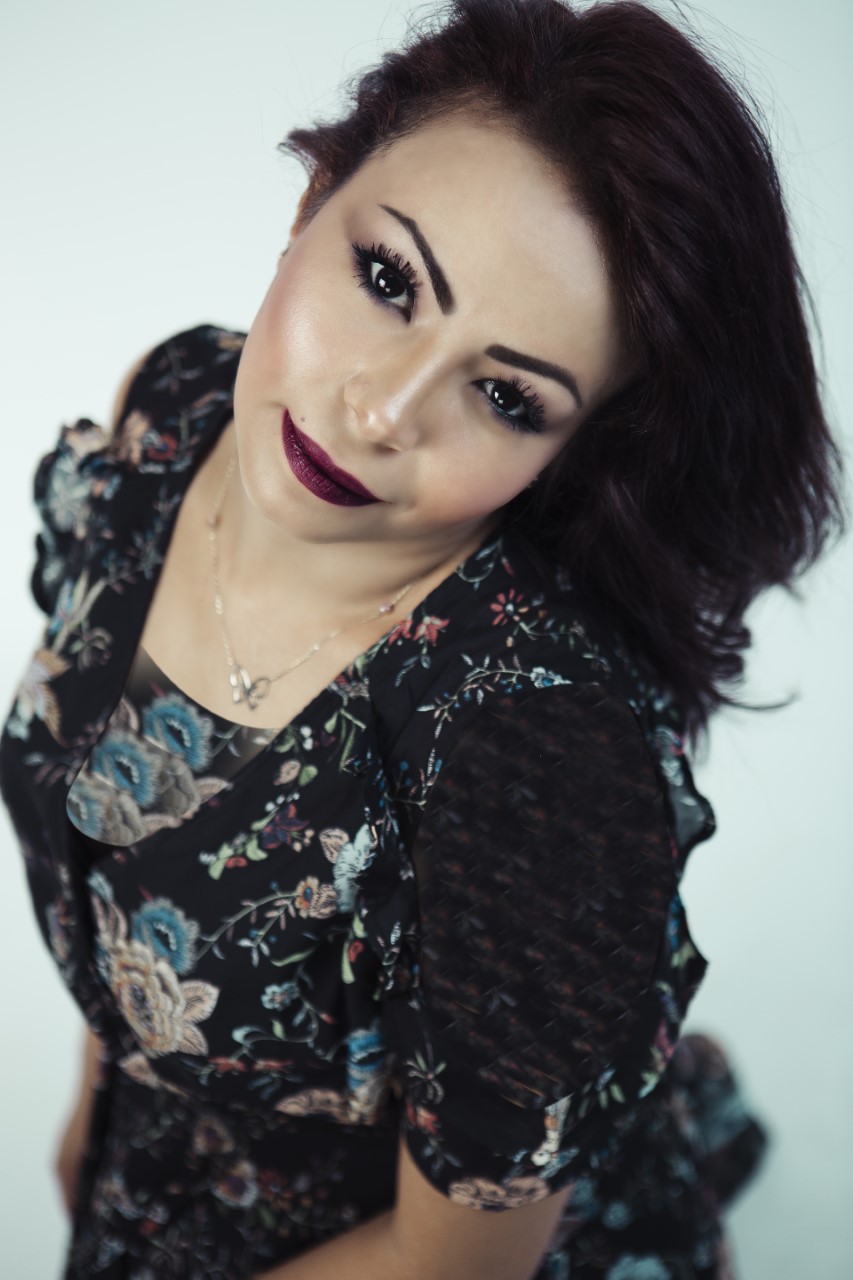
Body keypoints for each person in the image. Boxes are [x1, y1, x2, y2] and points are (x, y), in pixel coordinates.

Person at [0, 0, 845, 1276]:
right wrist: (94, 1103)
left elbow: (453, 1265)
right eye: (388, 279)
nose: (383, 411)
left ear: (573, 449)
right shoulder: (172, 415)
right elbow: (114, 829)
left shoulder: (539, 761)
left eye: (504, 395)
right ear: (313, 200)